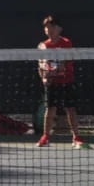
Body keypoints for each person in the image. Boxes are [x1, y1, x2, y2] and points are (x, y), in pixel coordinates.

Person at [36, 15, 86, 148]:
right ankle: (45, 137)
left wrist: (53, 72)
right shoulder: (43, 46)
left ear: (59, 29)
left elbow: (63, 63)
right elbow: (40, 65)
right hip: (52, 84)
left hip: (66, 81)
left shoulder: (66, 43)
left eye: (51, 27)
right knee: (50, 109)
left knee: (70, 109)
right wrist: (44, 78)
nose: (48, 30)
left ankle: (76, 137)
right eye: (46, 28)